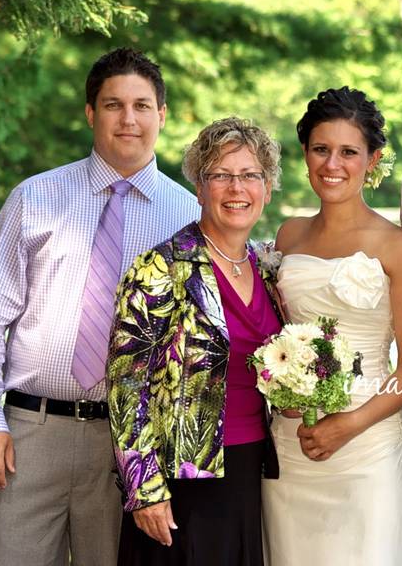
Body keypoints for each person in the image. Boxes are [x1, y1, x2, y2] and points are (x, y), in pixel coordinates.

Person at [0, 48, 201, 566]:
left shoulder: (189, 215)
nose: (128, 119)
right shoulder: (35, 198)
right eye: (113, 105)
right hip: (27, 437)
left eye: (141, 105)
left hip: (130, 446)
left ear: (163, 115)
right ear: (91, 114)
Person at [262, 87, 402, 566]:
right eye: (321, 149)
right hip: (292, 443)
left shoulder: (396, 244)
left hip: (368, 444)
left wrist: (350, 425)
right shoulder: (288, 234)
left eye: (348, 152)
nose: (332, 164)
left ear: (372, 159)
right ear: (304, 154)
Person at [107, 117, 284, 566]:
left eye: (249, 175)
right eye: (220, 176)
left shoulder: (266, 268)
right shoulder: (161, 268)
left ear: (267, 187)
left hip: (249, 472)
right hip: (182, 480)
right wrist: (144, 490)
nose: (236, 188)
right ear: (199, 189)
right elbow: (126, 389)